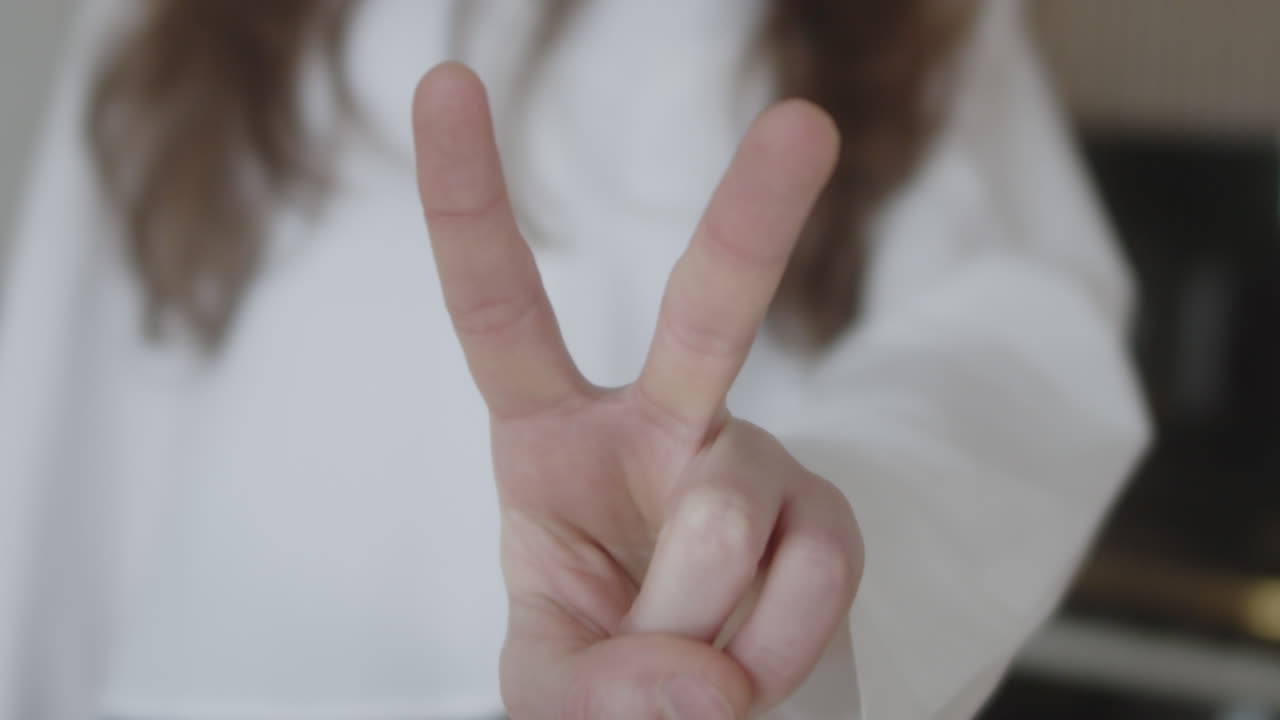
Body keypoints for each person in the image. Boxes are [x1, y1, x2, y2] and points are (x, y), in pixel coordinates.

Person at [0, 0, 1150, 718]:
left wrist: (788, 522)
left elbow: (1017, 342)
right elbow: (51, 457)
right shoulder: (160, 22)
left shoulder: (916, 24)